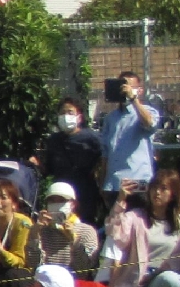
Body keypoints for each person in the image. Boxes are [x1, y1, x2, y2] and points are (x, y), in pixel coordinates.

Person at [30, 97, 106, 228]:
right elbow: (49, 169)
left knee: (84, 226)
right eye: (62, 113)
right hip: (61, 192)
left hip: (85, 191)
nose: (66, 116)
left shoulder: (92, 138)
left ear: (79, 117)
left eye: (70, 112)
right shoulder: (53, 140)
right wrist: (37, 164)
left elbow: (104, 158)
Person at [98, 72, 160, 214]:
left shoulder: (148, 112)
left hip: (138, 180)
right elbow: (106, 153)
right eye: (122, 87)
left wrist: (133, 98)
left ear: (139, 90)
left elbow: (150, 124)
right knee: (117, 227)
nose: (124, 90)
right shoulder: (110, 118)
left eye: (129, 86)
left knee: (140, 223)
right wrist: (102, 182)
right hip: (114, 183)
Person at [34, 181, 100, 275]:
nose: (56, 204)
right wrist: (34, 235)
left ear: (73, 204)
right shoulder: (42, 230)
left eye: (61, 200)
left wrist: (73, 240)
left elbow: (85, 269)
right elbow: (33, 266)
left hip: (76, 283)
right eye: (52, 200)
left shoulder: (87, 231)